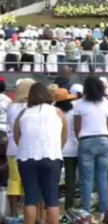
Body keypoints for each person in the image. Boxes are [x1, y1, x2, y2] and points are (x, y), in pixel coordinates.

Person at [14, 83, 67, 224]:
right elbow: (64, 135)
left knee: (30, 198)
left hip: (27, 157)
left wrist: (27, 147)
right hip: (52, 156)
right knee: (52, 200)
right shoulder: (58, 112)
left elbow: (17, 137)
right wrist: (56, 148)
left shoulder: (23, 114)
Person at [74, 76, 108, 220]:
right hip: (104, 140)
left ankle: (86, 212)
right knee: (103, 178)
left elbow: (77, 126)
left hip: (86, 141)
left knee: (87, 179)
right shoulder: (107, 103)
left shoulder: (79, 104)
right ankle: (104, 211)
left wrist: (81, 139)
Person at [6, 79, 34, 217]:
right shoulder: (32, 107)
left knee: (13, 181)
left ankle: (13, 213)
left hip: (11, 148)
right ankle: (26, 213)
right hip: (27, 148)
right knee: (27, 181)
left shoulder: (11, 106)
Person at [53, 88, 79, 210]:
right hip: (72, 150)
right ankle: (69, 207)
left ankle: (51, 205)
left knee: (53, 179)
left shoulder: (53, 112)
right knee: (70, 180)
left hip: (55, 149)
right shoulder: (74, 112)